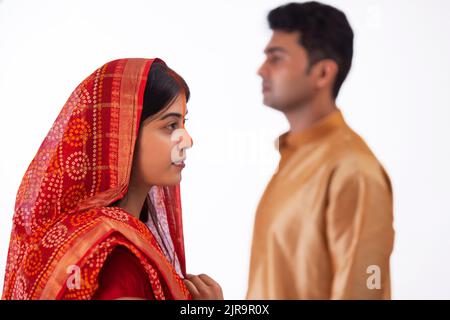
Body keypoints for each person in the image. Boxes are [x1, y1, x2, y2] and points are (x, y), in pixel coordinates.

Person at [2, 58, 223, 300]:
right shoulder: (118, 258)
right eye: (170, 125)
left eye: (183, 123)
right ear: (123, 133)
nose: (187, 140)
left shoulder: (87, 237)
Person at [247, 2, 395, 299]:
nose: (261, 70)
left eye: (276, 58)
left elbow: (366, 291)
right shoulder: (294, 158)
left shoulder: (352, 170)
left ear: (323, 73)